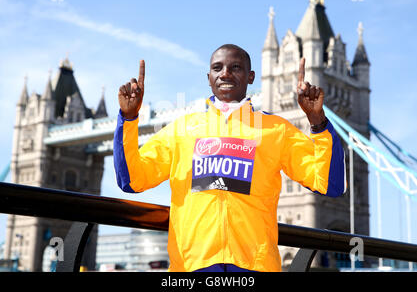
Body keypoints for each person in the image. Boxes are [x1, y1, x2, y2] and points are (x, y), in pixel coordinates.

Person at [113, 44, 346, 272]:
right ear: (209, 77)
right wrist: (129, 117)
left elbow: (329, 184)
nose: (225, 73)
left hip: (256, 267)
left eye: (235, 67)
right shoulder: (181, 130)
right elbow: (132, 180)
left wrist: (318, 121)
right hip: (191, 267)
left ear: (251, 76)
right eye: (217, 68)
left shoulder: (277, 130)